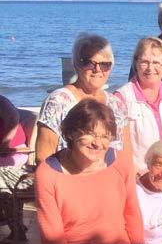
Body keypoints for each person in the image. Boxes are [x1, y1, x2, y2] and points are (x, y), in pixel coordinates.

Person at [35, 99, 143, 244]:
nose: (98, 143)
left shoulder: (120, 162)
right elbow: (51, 236)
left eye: (105, 136)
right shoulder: (48, 174)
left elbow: (131, 209)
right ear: (72, 133)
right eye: (90, 134)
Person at [36, 33, 128, 162]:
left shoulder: (117, 105)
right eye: (89, 63)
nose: (97, 69)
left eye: (104, 65)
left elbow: (126, 156)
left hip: (109, 178)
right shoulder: (58, 101)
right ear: (76, 65)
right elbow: (43, 157)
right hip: (67, 178)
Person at [115, 37, 162, 172]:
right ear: (136, 63)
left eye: (156, 62)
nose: (150, 68)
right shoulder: (121, 99)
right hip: (137, 179)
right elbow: (120, 147)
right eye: (144, 62)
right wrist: (140, 175)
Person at [0, 95, 33, 241]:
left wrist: (5, 143)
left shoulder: (2, 102)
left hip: (12, 152)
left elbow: (13, 118)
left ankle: (15, 227)